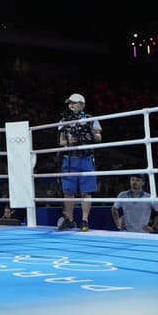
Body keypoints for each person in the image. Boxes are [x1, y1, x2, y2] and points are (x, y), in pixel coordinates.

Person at [57, 93, 102, 232]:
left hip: (86, 158)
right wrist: (71, 142)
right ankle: (69, 220)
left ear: (82, 105)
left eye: (73, 103)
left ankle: (84, 220)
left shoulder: (90, 119)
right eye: (69, 103)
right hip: (70, 158)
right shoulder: (63, 120)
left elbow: (99, 138)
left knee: (86, 191)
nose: (70, 105)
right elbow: (61, 141)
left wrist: (91, 134)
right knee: (68, 192)